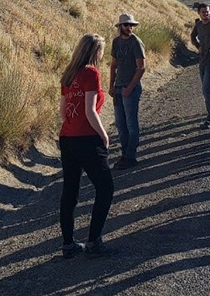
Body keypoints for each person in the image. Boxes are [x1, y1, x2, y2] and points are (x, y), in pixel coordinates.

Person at [59, 34, 114, 257]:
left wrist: (72, 128)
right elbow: (90, 110)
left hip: (67, 138)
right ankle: (93, 241)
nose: (102, 54)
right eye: (101, 50)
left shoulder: (68, 74)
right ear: (94, 51)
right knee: (105, 188)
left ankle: (68, 244)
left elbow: (63, 113)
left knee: (70, 191)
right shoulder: (91, 73)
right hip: (87, 138)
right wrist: (103, 134)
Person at [109, 13, 146, 169]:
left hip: (129, 88)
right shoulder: (116, 42)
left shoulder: (136, 42)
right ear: (120, 27)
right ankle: (125, 155)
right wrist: (111, 85)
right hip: (118, 87)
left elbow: (141, 67)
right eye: (126, 25)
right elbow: (113, 65)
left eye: (131, 25)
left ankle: (130, 155)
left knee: (131, 124)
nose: (129, 28)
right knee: (120, 124)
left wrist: (129, 88)